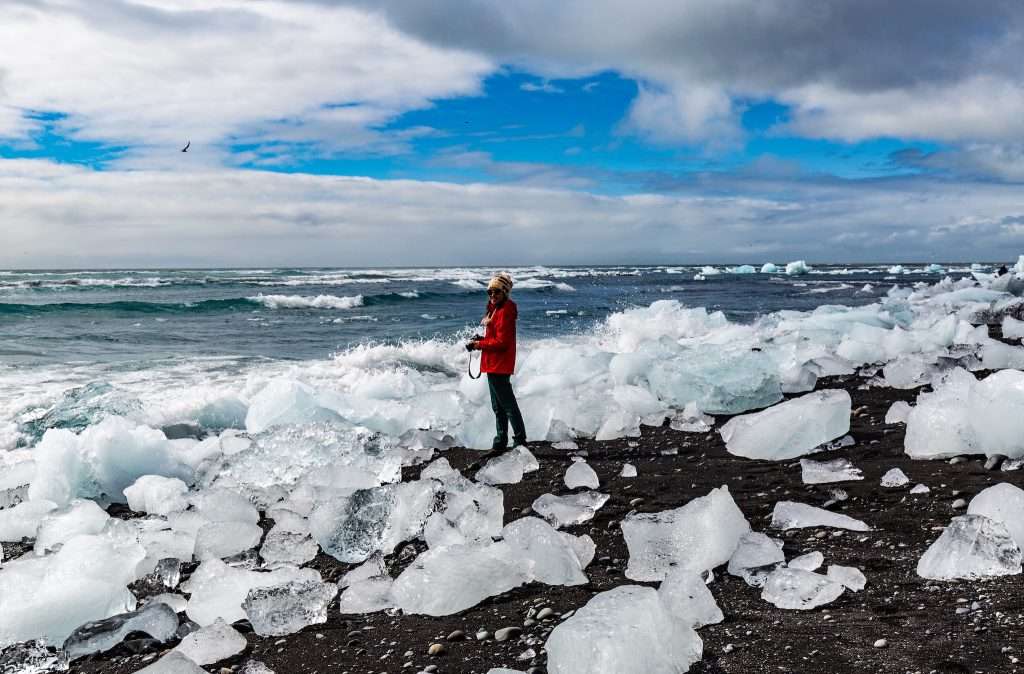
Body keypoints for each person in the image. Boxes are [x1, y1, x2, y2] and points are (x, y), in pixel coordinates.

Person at [468, 272, 527, 449]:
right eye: (490, 292)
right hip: (494, 363)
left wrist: (479, 345)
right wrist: (481, 338)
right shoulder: (496, 309)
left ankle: (519, 441)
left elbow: (502, 343)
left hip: (499, 364)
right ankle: (501, 441)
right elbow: (495, 336)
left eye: (497, 292)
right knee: (498, 406)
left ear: (505, 293)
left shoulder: (505, 311)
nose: (492, 295)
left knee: (507, 405)